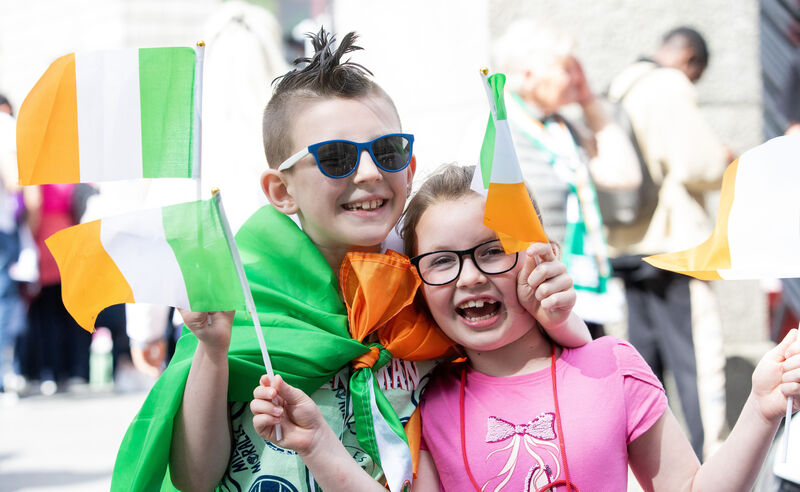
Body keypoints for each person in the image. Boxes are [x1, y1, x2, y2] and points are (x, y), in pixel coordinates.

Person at [112, 28, 592, 491]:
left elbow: (535, 376)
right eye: (335, 157)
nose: (368, 173)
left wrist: (559, 319)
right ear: (281, 191)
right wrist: (214, 352)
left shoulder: (435, 282)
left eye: (387, 151)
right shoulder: (242, 299)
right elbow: (195, 478)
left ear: (410, 167)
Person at [252, 164, 800, 491]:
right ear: (417, 282)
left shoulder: (612, 365)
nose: (469, 277)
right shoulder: (425, 400)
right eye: (441, 261)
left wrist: (760, 408)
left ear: (541, 257)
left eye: (493, 252)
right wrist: (318, 444)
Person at [606, 26, 732, 458]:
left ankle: (652, 470)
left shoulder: (621, 86)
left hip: (628, 245)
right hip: (675, 243)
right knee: (696, 360)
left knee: (646, 365)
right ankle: (709, 467)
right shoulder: (668, 85)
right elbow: (699, 163)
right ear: (690, 61)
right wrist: (726, 157)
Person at [492, 19, 641, 336]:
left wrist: (588, 101)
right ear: (530, 75)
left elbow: (624, 175)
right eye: (566, 68)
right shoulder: (499, 129)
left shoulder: (562, 129)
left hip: (580, 288)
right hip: (534, 298)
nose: (575, 76)